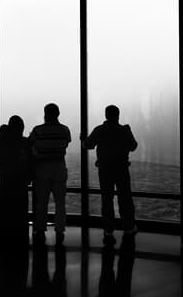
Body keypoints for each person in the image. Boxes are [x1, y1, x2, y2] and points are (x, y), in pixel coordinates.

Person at [83, 105, 138, 245]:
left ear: (106, 115)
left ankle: (108, 230)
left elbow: (88, 145)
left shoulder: (99, 130)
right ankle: (129, 227)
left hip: (105, 170)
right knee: (125, 198)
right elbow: (133, 146)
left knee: (106, 199)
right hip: (121, 168)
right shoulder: (124, 130)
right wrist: (129, 131)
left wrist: (83, 139)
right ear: (118, 115)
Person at [29, 103, 71, 245]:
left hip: (41, 167)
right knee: (60, 201)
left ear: (45, 113)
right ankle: (59, 230)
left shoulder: (37, 130)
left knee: (41, 202)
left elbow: (29, 145)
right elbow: (65, 144)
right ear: (58, 113)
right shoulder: (65, 130)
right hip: (59, 166)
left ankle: (40, 229)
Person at [0, 115, 32, 239]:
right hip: (21, 180)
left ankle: (4, 232)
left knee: (4, 206)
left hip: (5, 178)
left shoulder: (2, 141)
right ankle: (19, 232)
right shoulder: (25, 142)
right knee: (20, 208)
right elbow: (30, 160)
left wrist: (1, 135)